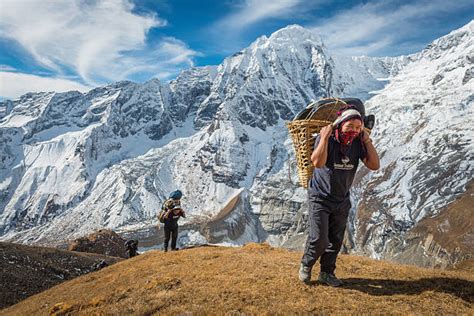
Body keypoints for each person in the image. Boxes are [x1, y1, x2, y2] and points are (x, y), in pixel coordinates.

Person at [299, 107, 380, 286]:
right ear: (339, 125)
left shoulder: (358, 143)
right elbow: (317, 162)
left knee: (335, 240)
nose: (354, 131)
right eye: (350, 126)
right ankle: (306, 264)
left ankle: (327, 273)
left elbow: (374, 165)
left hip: (342, 198)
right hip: (320, 196)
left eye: (358, 127)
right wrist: (325, 137)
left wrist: (366, 140)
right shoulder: (328, 139)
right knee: (319, 238)